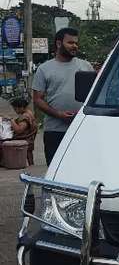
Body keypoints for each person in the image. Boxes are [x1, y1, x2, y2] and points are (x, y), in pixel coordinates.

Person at [32, 28, 93, 165]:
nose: (74, 46)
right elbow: (37, 99)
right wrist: (58, 114)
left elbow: (93, 95)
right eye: (70, 42)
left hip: (81, 128)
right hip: (54, 131)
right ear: (59, 44)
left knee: (82, 168)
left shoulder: (86, 66)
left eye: (76, 43)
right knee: (55, 169)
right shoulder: (44, 69)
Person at [10, 95, 37, 166]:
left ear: (21, 107)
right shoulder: (29, 112)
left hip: (25, 138)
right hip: (29, 138)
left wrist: (11, 121)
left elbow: (19, 130)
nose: (14, 111)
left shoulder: (25, 116)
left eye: (15, 109)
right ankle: (31, 164)